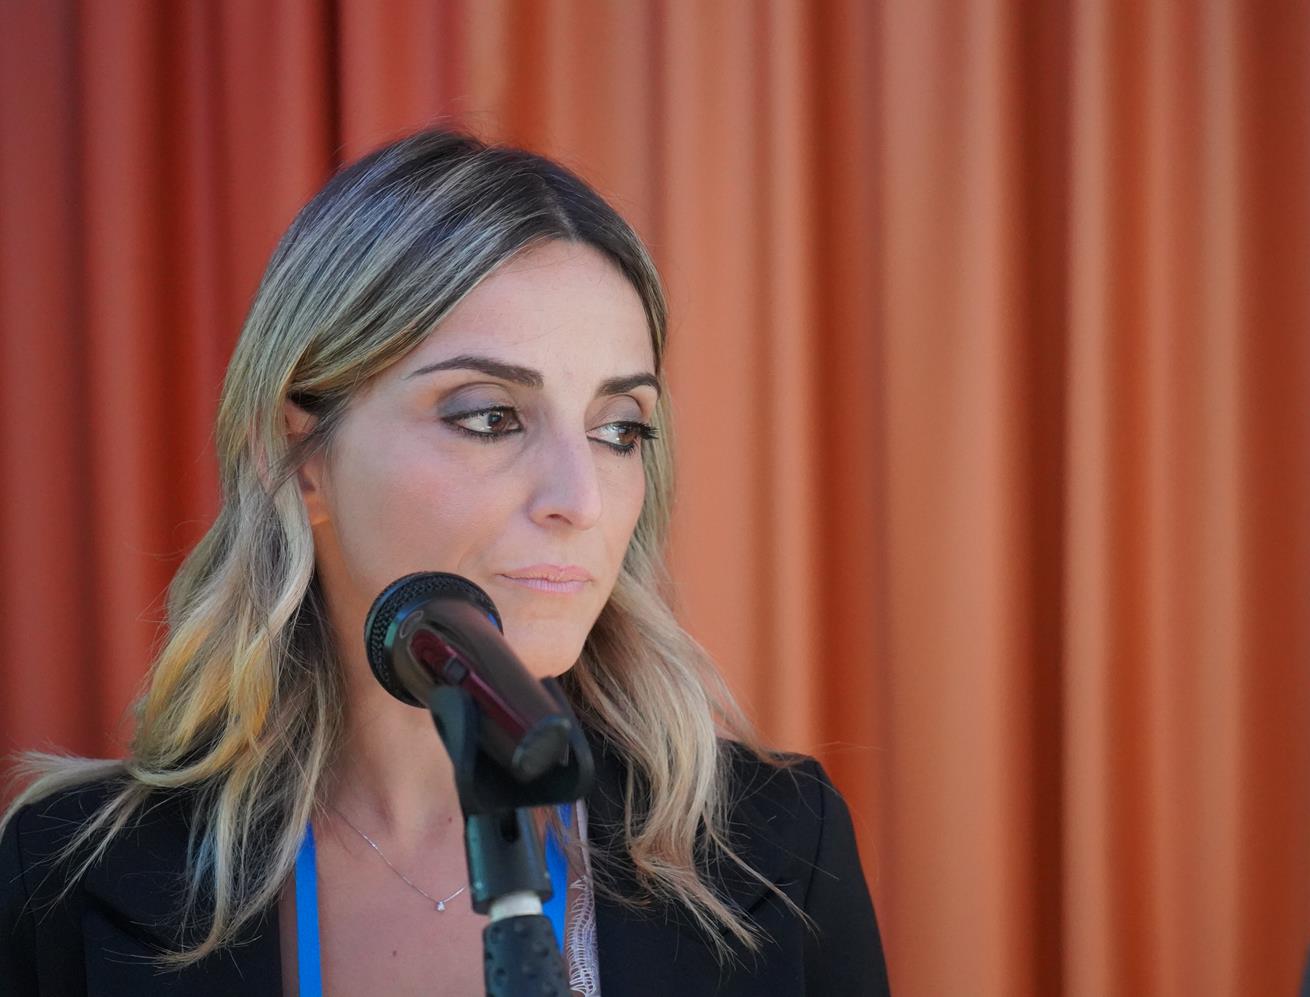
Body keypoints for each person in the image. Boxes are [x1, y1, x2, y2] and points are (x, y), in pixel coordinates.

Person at [0, 128, 889, 996]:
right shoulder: (67, 876)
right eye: (490, 417)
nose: (580, 498)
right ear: (299, 458)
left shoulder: (778, 850)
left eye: (620, 429)